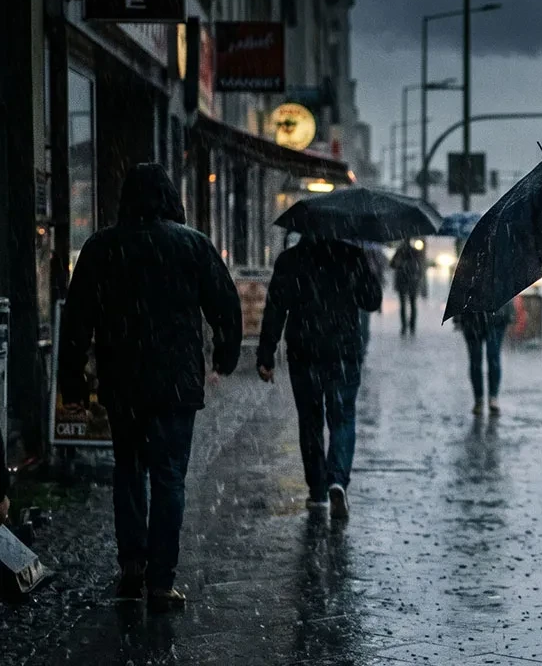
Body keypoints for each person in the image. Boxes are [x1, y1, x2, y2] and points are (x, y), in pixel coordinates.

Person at [60, 163, 242, 609]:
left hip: (122, 379)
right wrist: (225, 352)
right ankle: (162, 581)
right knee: (169, 477)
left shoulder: (102, 247)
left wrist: (73, 379)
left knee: (128, 469)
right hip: (175, 383)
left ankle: (132, 566)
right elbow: (225, 305)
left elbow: (77, 317)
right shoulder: (192, 245)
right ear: (170, 198)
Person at [257, 234, 382, 520]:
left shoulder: (290, 260)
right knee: (342, 417)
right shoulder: (351, 256)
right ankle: (337, 478)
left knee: (310, 420)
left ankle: (317, 489)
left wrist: (266, 354)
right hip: (343, 352)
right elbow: (371, 301)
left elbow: (275, 308)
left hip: (305, 351)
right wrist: (363, 270)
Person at [456, 302, 514, 415]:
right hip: (473, 317)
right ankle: (481, 398)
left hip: (495, 316)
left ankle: (491, 397)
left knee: (492, 357)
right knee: (477, 359)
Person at [390, 239, 426, 335]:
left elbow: (392, 264)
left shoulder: (401, 251)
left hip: (405, 281)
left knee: (405, 305)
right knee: (411, 304)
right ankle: (410, 326)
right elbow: (419, 266)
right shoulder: (413, 251)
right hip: (410, 281)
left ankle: (406, 326)